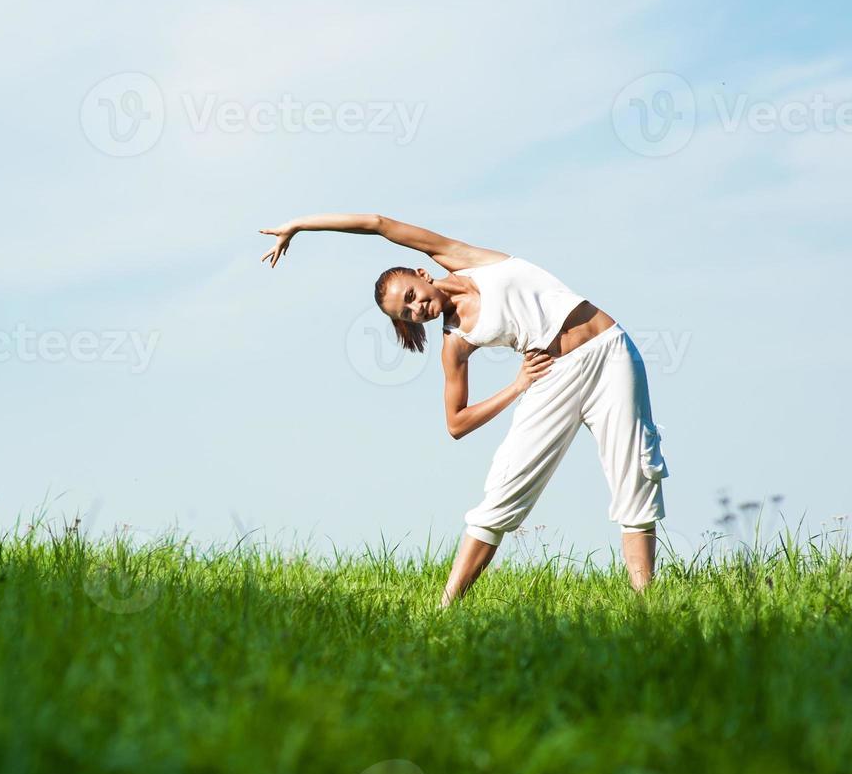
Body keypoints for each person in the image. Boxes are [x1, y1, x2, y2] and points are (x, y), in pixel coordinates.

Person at [259, 213, 669, 605]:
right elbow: (455, 423)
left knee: (636, 475)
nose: (416, 308)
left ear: (421, 275)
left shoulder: (465, 258)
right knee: (502, 494)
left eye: (412, 297)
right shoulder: (454, 343)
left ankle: (646, 607)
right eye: (407, 313)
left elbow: (379, 225)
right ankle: (445, 609)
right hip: (550, 378)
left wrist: (299, 225)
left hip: (610, 353)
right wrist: (518, 385)